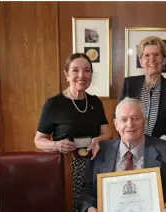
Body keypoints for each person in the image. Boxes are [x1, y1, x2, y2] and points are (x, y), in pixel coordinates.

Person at [77, 97, 166, 212]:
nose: (130, 124)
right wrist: (90, 209)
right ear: (116, 124)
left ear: (145, 121)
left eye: (135, 118)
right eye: (124, 119)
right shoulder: (99, 152)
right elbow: (85, 193)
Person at [34, 53, 112, 212]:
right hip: (66, 168)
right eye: (75, 70)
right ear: (66, 75)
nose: (81, 75)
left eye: (87, 70)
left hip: (94, 165)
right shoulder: (54, 104)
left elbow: (108, 133)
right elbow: (39, 140)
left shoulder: (95, 102)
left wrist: (98, 139)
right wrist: (56, 144)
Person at [119, 36, 166, 142]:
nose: (152, 59)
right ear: (141, 61)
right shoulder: (129, 84)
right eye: (147, 55)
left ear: (164, 60)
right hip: (132, 145)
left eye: (156, 54)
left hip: (163, 147)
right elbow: (119, 115)